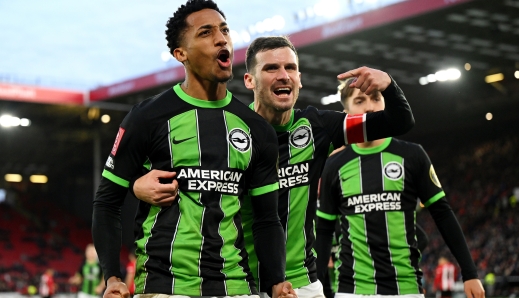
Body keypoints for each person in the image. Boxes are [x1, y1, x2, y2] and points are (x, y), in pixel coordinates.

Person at [132, 35, 415, 298]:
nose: (283, 75)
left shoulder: (320, 127)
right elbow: (186, 180)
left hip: (301, 283)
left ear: (299, 79)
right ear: (249, 80)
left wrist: (388, 84)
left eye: (290, 68)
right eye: (271, 68)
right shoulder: (228, 128)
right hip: (240, 284)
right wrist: (137, 184)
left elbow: (399, 122)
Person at [92, 1, 294, 298]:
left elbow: (266, 218)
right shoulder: (147, 117)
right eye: (206, 32)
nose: (222, 38)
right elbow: (107, 202)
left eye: (225, 30)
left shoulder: (257, 129)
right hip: (164, 285)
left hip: (235, 286)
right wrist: (112, 276)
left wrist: (276, 280)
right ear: (180, 54)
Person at [315, 80, 485, 298]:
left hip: (406, 289)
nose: (370, 107)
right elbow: (324, 232)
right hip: (352, 290)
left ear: (385, 104)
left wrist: (470, 272)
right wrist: (320, 286)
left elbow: (442, 214)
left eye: (376, 98)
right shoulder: (334, 165)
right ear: (346, 112)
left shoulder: (412, 156)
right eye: (360, 100)